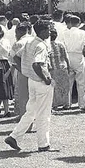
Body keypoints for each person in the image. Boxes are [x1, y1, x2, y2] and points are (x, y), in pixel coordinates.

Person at [5, 21, 54, 152]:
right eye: (48, 30)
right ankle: (43, 144)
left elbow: (15, 56)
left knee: (31, 111)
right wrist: (46, 79)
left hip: (31, 80)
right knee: (43, 113)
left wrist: (24, 70)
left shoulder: (30, 42)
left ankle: (14, 136)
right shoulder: (40, 45)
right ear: (42, 31)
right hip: (40, 81)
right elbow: (37, 64)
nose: (50, 33)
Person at [58, 14, 85, 110]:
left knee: (68, 81)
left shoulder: (64, 32)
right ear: (78, 23)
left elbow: (62, 45)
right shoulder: (82, 32)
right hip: (78, 56)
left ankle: (67, 103)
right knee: (81, 82)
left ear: (70, 23)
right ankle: (82, 104)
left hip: (67, 56)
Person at [0, 24, 15, 118]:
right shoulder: (6, 41)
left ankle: (6, 110)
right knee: (4, 86)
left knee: (2, 86)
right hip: (6, 63)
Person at [48, 27, 74, 110]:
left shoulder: (46, 45)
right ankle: (67, 104)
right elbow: (66, 57)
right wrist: (69, 67)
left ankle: (55, 105)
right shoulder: (61, 44)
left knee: (54, 87)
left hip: (52, 69)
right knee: (65, 86)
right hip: (62, 67)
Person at [10, 22, 33, 117]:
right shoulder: (34, 40)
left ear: (18, 32)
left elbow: (12, 60)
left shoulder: (18, 43)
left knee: (23, 96)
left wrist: (22, 70)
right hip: (36, 72)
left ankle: (24, 116)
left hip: (22, 72)